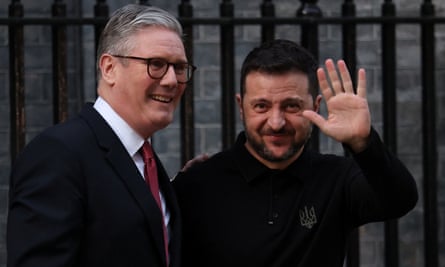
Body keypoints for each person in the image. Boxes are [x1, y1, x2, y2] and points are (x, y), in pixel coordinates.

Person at [173, 39, 418, 267]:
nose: (276, 122)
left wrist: (363, 143)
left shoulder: (338, 179)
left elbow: (400, 200)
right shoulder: (198, 184)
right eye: (261, 106)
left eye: (292, 106)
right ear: (241, 107)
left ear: (316, 106)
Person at [7, 4, 196, 267]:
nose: (172, 80)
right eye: (156, 64)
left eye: (179, 67)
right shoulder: (58, 154)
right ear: (109, 68)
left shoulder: (146, 161)